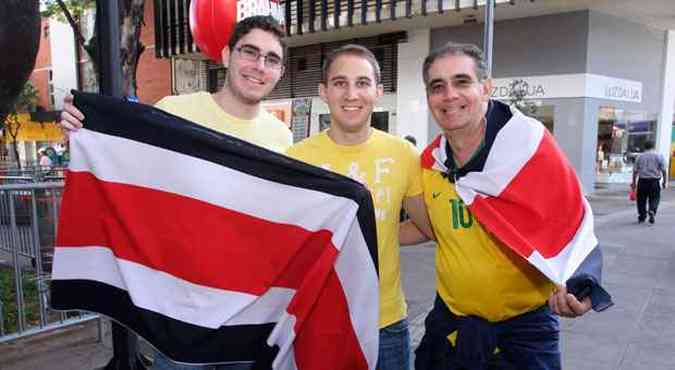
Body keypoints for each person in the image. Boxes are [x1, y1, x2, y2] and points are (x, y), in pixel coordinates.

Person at [60, 15, 292, 370]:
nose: (259, 66)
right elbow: (123, 173)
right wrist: (86, 132)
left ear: (280, 71)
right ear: (227, 55)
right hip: (180, 315)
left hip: (248, 314)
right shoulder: (175, 112)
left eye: (271, 59)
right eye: (250, 52)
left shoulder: (282, 137)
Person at [399, 42, 611, 370]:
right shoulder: (430, 164)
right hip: (452, 325)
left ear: (485, 88)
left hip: (524, 332)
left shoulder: (529, 148)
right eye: (437, 86)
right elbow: (429, 228)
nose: (450, 95)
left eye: (462, 82)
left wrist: (579, 285)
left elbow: (570, 222)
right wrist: (362, 228)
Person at [285, 44, 433, 370]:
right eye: (340, 83)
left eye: (362, 83)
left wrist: (374, 234)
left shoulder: (402, 155)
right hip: (318, 320)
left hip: (386, 323)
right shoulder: (296, 160)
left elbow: (428, 227)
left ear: (378, 91)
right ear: (324, 91)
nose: (351, 94)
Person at [631, 140, 667, 224]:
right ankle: (652, 210)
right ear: (653, 146)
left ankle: (642, 216)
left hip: (642, 181)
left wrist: (633, 182)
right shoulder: (659, 156)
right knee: (655, 198)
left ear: (644, 147)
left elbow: (635, 171)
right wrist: (664, 181)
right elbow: (664, 170)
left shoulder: (640, 156)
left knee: (641, 199)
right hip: (654, 181)